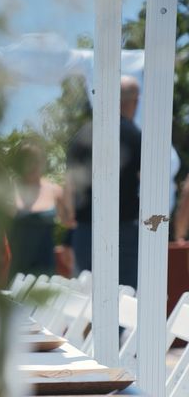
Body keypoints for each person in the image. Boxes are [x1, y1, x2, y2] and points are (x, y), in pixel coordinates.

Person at [66, 75, 141, 288]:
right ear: (133, 102)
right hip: (123, 229)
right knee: (123, 299)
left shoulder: (82, 135)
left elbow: (70, 183)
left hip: (85, 229)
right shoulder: (135, 136)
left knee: (84, 303)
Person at [8, 141, 68, 277]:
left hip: (46, 270)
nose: (32, 165)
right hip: (17, 271)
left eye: (36, 159)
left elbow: (70, 223)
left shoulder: (56, 191)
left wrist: (65, 246)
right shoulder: (9, 190)